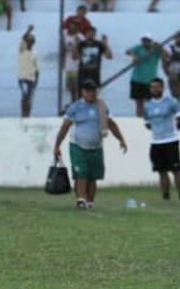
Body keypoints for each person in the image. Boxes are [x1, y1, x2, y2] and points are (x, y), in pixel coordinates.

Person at [54, 79, 128, 209]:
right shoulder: (75, 107)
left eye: (94, 91)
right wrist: (57, 145)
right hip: (78, 146)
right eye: (89, 91)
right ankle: (81, 199)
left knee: (93, 176)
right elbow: (65, 127)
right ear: (83, 92)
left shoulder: (101, 106)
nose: (92, 94)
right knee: (81, 174)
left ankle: (90, 201)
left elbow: (111, 124)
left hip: (96, 147)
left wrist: (121, 139)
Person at [144, 77, 180, 200]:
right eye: (153, 87)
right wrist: (156, 130)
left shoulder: (171, 102)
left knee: (176, 170)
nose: (155, 89)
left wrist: (172, 132)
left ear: (162, 88)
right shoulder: (148, 105)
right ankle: (165, 196)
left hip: (170, 141)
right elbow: (147, 123)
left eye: (157, 87)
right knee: (161, 171)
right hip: (156, 142)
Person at [127, 34, 163, 117]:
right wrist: (134, 56)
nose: (145, 42)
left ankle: (149, 119)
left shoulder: (155, 50)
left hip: (150, 81)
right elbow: (128, 51)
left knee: (150, 102)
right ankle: (138, 121)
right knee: (139, 103)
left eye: (147, 41)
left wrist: (160, 47)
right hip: (137, 79)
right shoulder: (139, 48)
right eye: (144, 40)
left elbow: (167, 56)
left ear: (151, 41)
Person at [18, 25, 38, 117]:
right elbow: (23, 38)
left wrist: (37, 78)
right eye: (28, 41)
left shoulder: (34, 53)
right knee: (25, 96)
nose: (30, 42)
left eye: (31, 41)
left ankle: (27, 114)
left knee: (29, 97)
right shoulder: (22, 50)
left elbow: (36, 67)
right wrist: (28, 30)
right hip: (23, 78)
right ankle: (23, 113)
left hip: (32, 78)